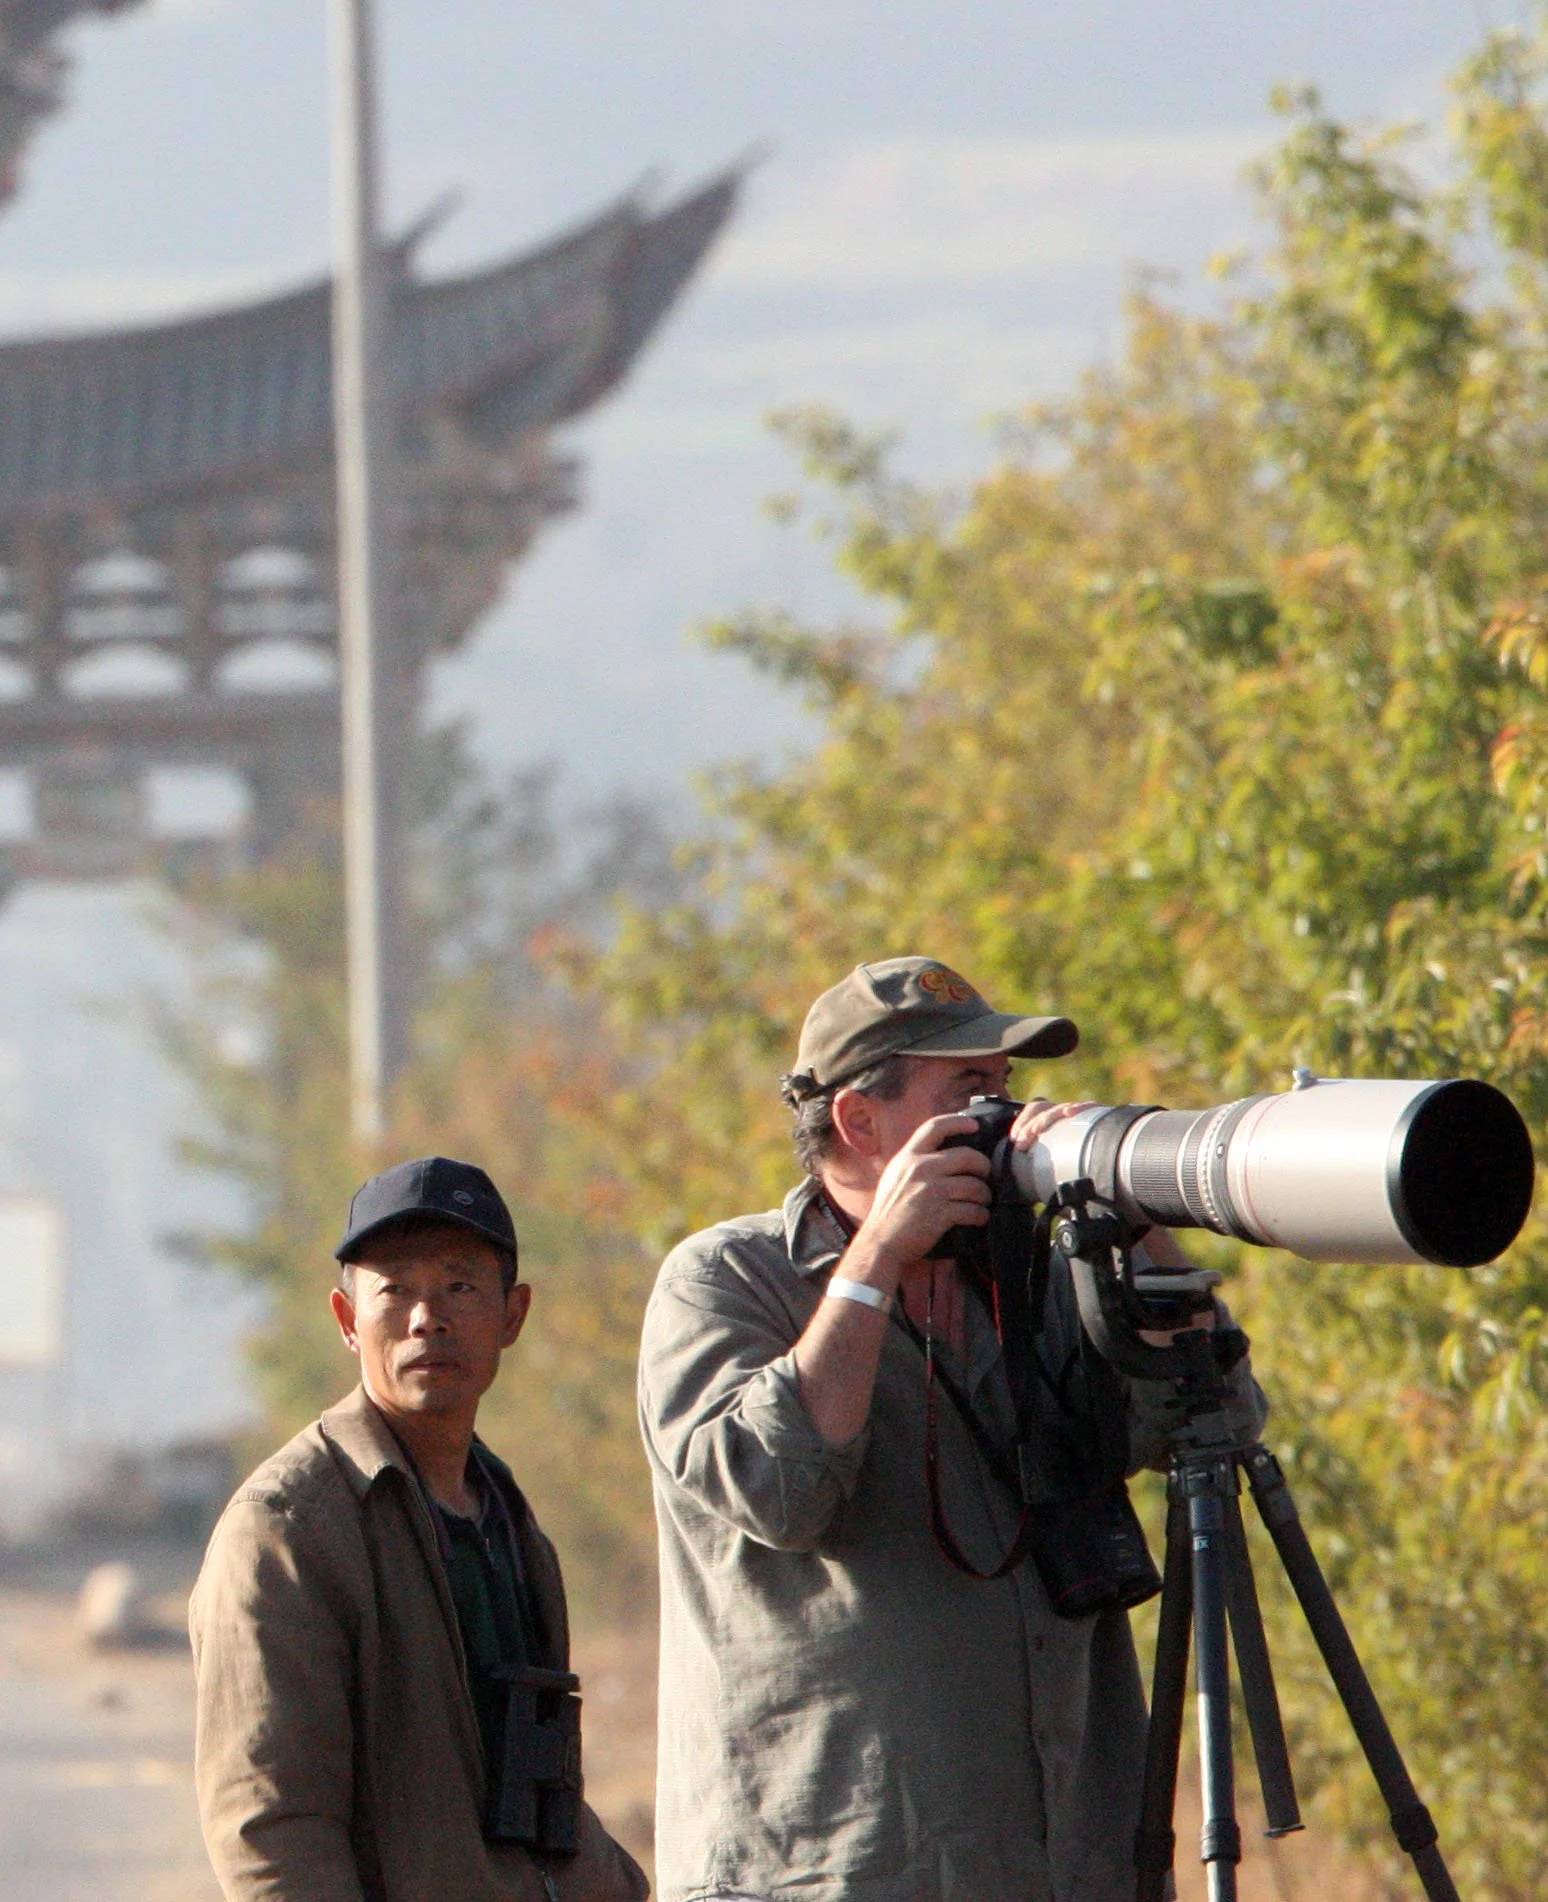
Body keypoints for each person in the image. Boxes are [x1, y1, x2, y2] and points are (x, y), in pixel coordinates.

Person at [638, 956, 1264, 1902]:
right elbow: (778, 1488)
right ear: (860, 1120)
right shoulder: (727, 1281)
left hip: (1066, 1861)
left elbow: (1217, 1420)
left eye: (1008, 1090)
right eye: (971, 1091)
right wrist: (880, 1253)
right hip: (834, 1867)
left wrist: (1132, 1218)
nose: (1007, 1120)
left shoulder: (1041, 1279)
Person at [190, 1155, 647, 1902]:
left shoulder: (506, 1519)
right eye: (394, 1289)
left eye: (460, 1286)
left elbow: (532, 1784)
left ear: (512, 1314)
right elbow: (270, 1826)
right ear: (347, 1321)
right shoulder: (288, 1528)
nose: (426, 1316)